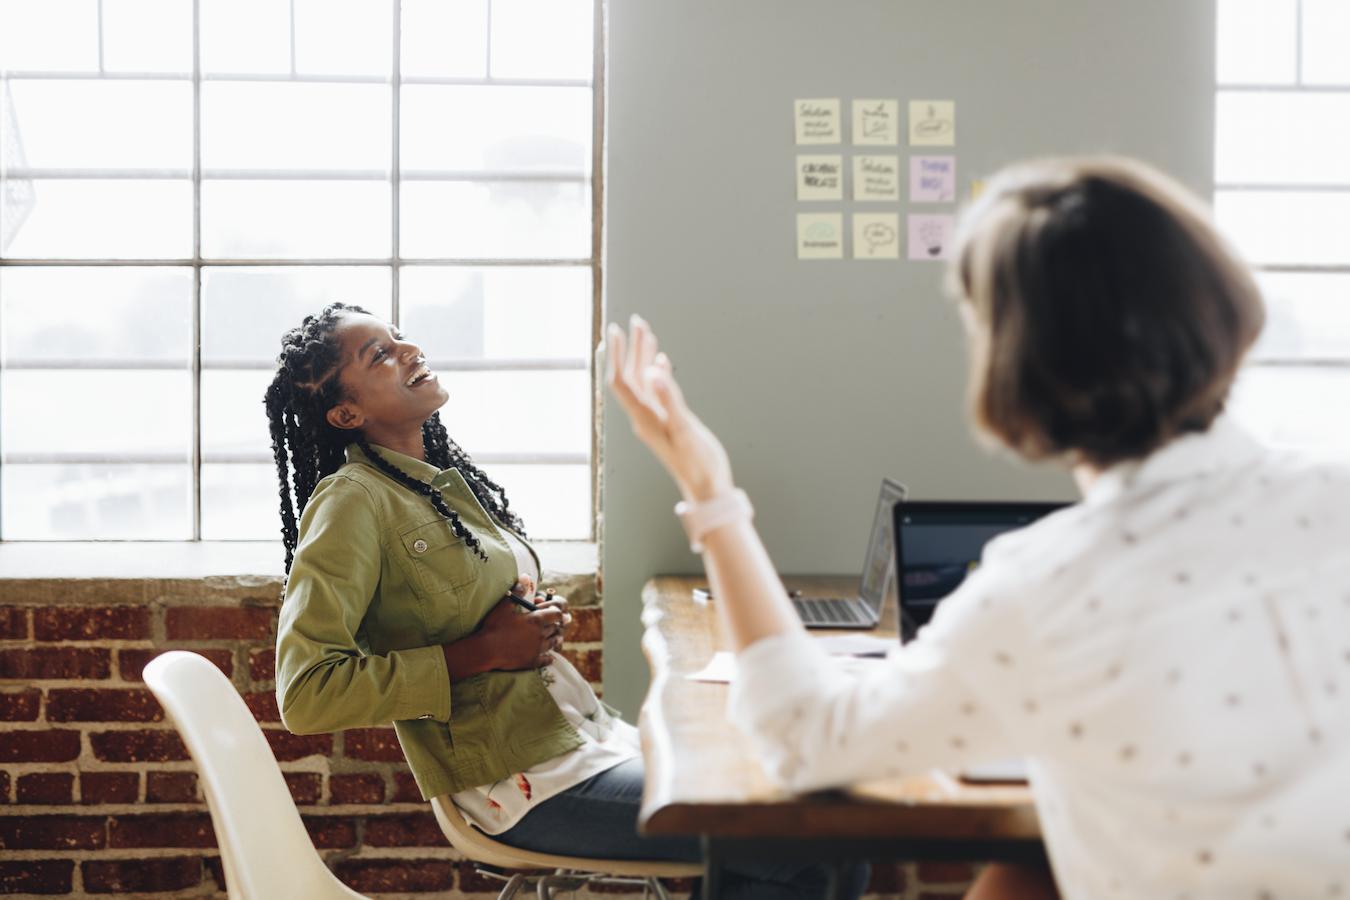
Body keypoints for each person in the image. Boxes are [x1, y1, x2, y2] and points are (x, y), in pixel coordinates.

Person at [606, 157, 1350, 900]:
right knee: (1027, 873)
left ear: (1018, 362)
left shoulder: (1045, 586)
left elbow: (805, 738)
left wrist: (710, 488)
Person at [265, 303, 861, 899]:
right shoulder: (352, 503)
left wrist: (530, 621)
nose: (410, 350)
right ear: (347, 412)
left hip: (581, 740)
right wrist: (483, 651)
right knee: (810, 842)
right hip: (523, 782)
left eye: (398, 336)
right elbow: (306, 695)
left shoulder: (436, 479)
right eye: (381, 355)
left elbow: (463, 609)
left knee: (816, 829)